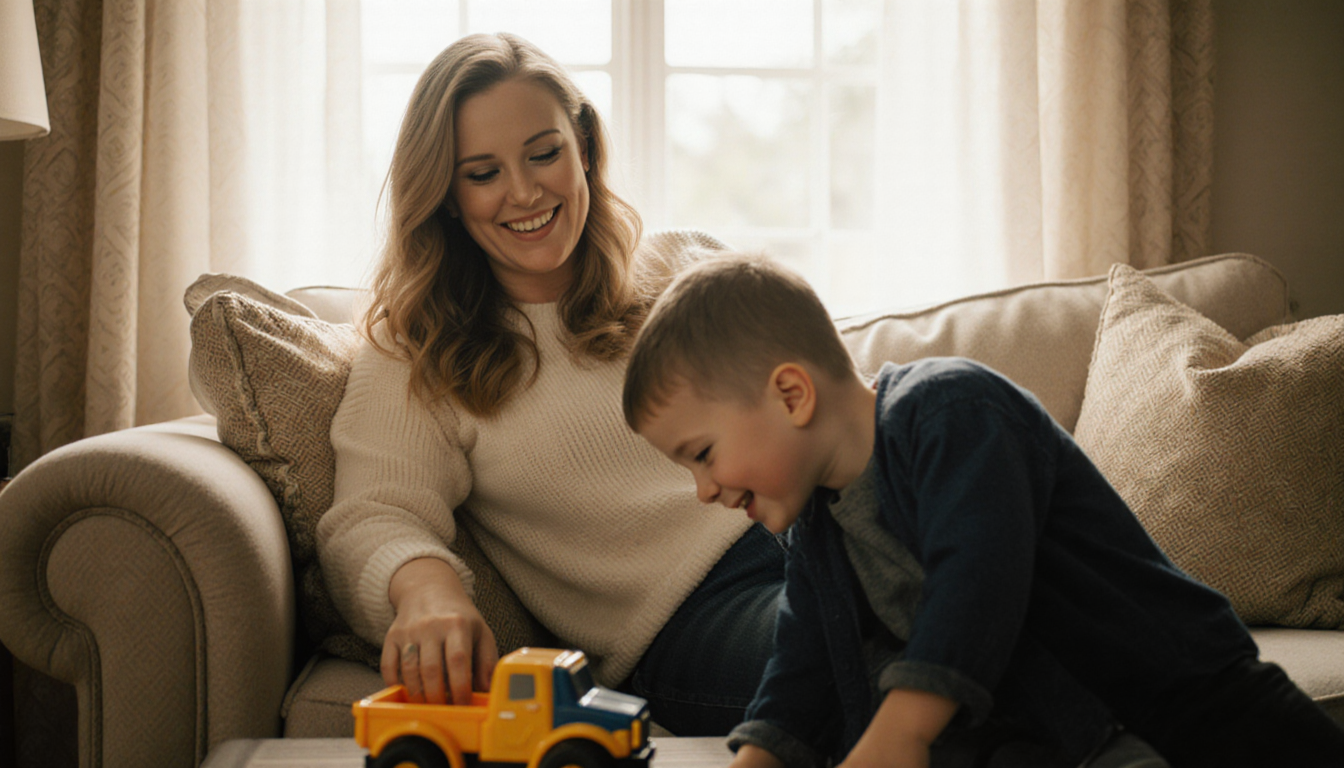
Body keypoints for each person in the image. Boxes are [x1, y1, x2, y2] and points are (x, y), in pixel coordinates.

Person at [622, 253, 1344, 768]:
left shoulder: (950, 410)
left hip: (1188, 702)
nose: (703, 491)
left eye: (703, 453)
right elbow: (801, 665)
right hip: (1057, 737)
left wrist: (901, 729)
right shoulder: (819, 525)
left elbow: (979, 577)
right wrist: (760, 756)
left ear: (791, 395)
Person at [314, 32, 784, 736]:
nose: (526, 191)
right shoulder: (419, 350)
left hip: (827, 530)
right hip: (698, 617)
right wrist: (423, 585)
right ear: (444, 192)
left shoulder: (687, 265)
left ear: (584, 148)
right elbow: (371, 515)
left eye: (544, 153)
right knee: (912, 629)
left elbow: (835, 403)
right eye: (482, 172)